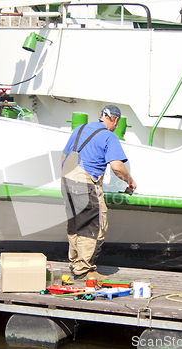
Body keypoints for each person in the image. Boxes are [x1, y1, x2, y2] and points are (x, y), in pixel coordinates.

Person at [61, 105, 137, 280]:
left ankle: (75, 263)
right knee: (95, 226)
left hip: (67, 181)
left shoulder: (79, 129)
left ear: (101, 116)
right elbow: (117, 167)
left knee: (75, 224)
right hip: (86, 183)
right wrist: (129, 180)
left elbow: (65, 155)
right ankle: (85, 270)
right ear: (115, 120)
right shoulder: (109, 136)